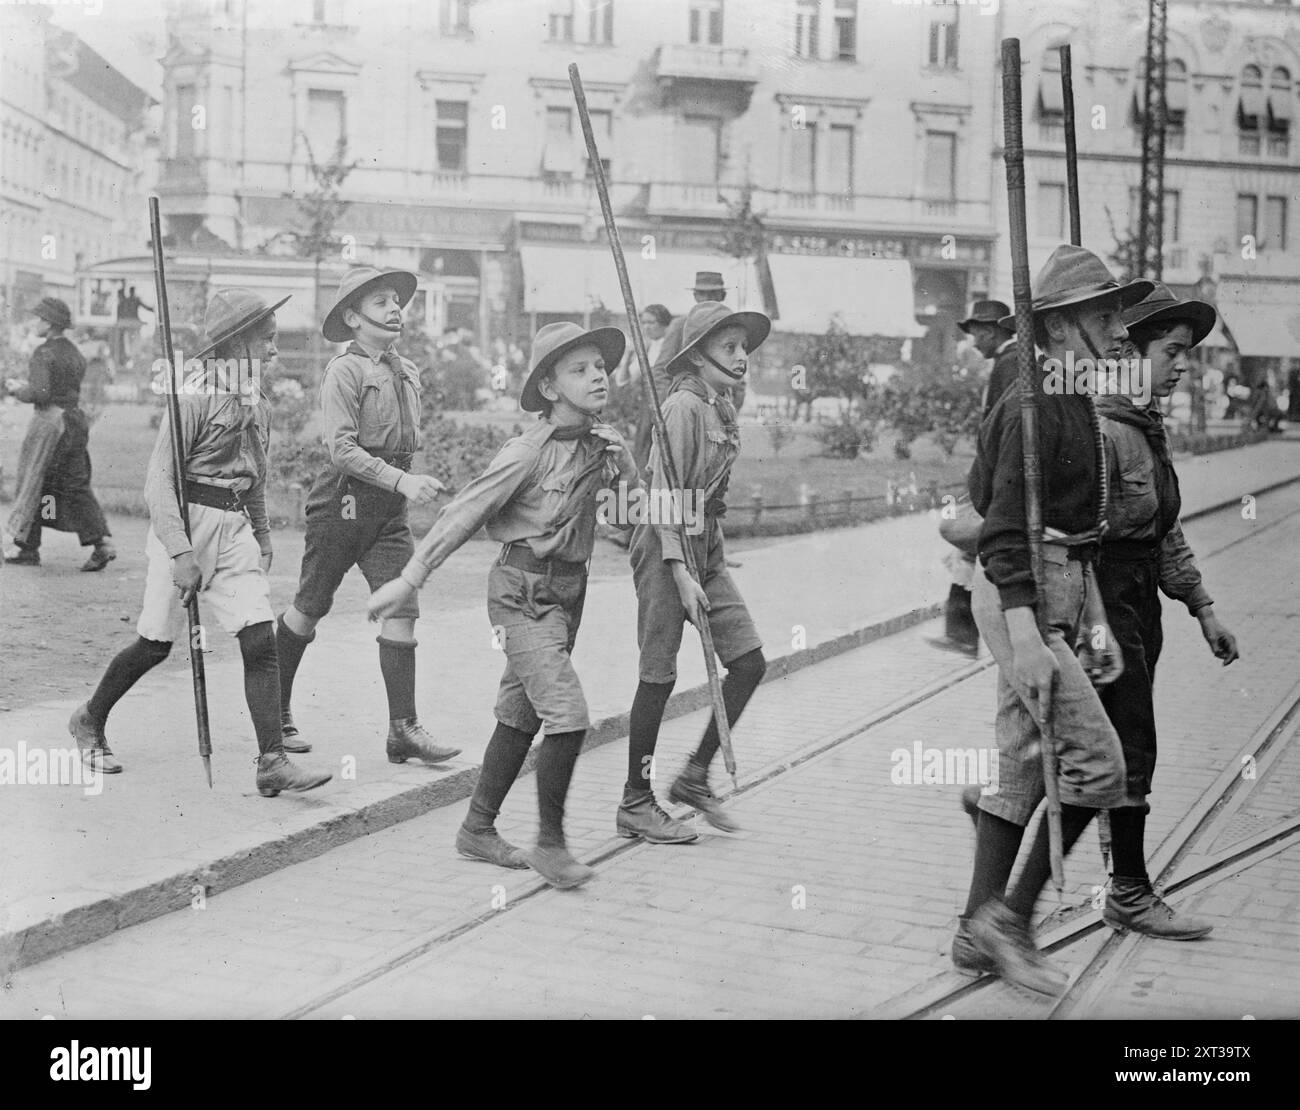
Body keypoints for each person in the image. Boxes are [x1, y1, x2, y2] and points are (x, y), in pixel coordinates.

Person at [368, 322, 639, 890]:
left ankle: (477, 828)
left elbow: (629, 518)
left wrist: (628, 467)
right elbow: (462, 514)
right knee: (568, 715)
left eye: (599, 367)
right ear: (548, 387)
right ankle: (551, 844)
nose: (597, 377)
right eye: (579, 369)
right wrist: (409, 579)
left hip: (568, 593)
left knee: (521, 714)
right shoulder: (526, 453)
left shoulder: (601, 444)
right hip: (523, 593)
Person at [953, 245, 1153, 996]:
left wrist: (1091, 616)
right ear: (1064, 323)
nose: (1118, 330)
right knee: (1099, 765)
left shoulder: (1067, 392)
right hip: (1020, 590)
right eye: (1103, 315)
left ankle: (974, 932)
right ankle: (1010, 922)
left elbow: (1081, 524)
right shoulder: (1034, 399)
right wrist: (1031, 633)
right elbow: (1000, 522)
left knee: (1021, 765)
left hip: (1055, 585)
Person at [67, 289, 332, 795]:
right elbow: (159, 482)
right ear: (235, 345)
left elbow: (256, 475)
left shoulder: (259, 404)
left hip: (234, 530)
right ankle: (89, 717)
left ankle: (271, 762)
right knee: (154, 645)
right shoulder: (190, 398)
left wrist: (260, 533)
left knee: (259, 638)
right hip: (186, 526)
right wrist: (181, 552)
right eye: (267, 341)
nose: (275, 351)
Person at [1096, 284, 1240, 939]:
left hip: (1139, 602)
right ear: (1131, 351)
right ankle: (1127, 890)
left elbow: (1165, 532)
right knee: (1126, 745)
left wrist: (1203, 608)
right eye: (1172, 352)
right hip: (1101, 603)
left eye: (1186, 352)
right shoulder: (1103, 430)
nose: (1183, 365)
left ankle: (1008, 822)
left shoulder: (1145, 426)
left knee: (1101, 747)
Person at [276, 267, 459, 763]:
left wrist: (404, 482)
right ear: (353, 318)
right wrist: (402, 480)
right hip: (344, 502)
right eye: (381, 303)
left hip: (388, 509)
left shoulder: (408, 371)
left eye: (397, 301)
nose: (395, 309)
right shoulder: (346, 371)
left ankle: (403, 729)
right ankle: (273, 713)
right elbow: (340, 449)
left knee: (402, 608)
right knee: (310, 607)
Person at [620, 301, 771, 841]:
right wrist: (679, 568)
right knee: (658, 675)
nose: (741, 358)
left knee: (749, 662)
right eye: (728, 348)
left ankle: (693, 776)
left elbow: (713, 498)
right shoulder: (682, 407)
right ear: (697, 356)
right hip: (665, 547)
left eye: (743, 348)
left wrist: (709, 554)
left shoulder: (721, 406)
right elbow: (663, 497)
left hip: (702, 548)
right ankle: (635, 801)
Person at [929, 300, 1016, 657]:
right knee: (970, 552)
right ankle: (963, 632)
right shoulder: (1008, 362)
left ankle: (967, 634)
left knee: (972, 546)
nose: (974, 341)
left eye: (977, 333)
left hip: (998, 482)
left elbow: (1001, 430)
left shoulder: (1008, 366)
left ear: (993, 330)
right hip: (995, 478)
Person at [4, 297, 115, 571]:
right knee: (73, 484)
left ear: (49, 323)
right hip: (75, 423)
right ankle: (101, 544)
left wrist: (17, 389)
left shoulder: (43, 353)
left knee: (35, 479)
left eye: (38, 319)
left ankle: (27, 547)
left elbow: (40, 393)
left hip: (51, 426)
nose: (34, 323)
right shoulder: (74, 352)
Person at [617, 303, 672, 472]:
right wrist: (627, 356)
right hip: (646, 409)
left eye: (651, 322)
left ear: (664, 324)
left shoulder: (669, 346)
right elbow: (623, 381)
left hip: (666, 405)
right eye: (644, 323)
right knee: (643, 450)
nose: (646, 327)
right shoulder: (647, 347)